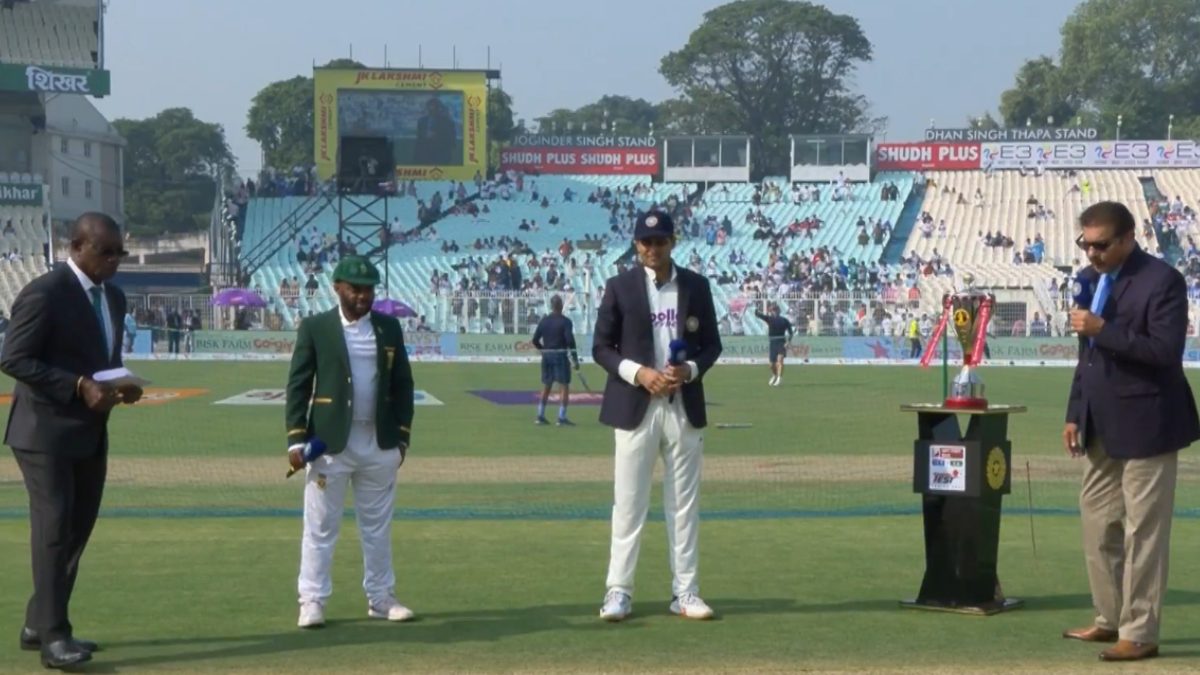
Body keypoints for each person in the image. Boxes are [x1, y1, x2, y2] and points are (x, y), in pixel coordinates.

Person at [2, 212, 142, 669]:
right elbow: (14, 358)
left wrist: (121, 384)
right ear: (77, 247)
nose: (115, 261)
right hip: (43, 432)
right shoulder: (45, 293)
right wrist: (78, 385)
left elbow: (104, 358)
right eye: (106, 252)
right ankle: (55, 639)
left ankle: (36, 622)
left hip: (89, 431)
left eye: (119, 252)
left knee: (76, 530)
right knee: (55, 530)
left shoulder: (114, 298)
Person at [1062, 201, 1200, 662]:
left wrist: (1104, 328)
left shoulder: (1163, 281)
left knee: (1144, 533)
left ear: (1127, 238)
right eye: (1086, 243)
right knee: (1098, 524)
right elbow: (1088, 359)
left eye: (1101, 244)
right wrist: (1074, 413)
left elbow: (1164, 351)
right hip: (1100, 425)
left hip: (1149, 423)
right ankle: (1110, 619)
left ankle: (1139, 632)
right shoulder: (1090, 280)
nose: (1092, 253)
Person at [592, 211, 722, 622]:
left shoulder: (696, 286)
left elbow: (712, 346)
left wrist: (691, 371)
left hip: (682, 407)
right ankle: (619, 591)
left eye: (660, 241)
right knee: (629, 504)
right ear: (635, 245)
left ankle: (685, 592)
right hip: (636, 405)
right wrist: (640, 373)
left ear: (673, 243)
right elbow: (601, 347)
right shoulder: (619, 287)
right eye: (646, 242)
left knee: (684, 505)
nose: (653, 249)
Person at [285, 256, 417, 629]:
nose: (363, 296)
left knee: (377, 528)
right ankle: (311, 600)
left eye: (369, 289)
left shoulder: (389, 328)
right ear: (337, 287)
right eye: (356, 289)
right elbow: (298, 385)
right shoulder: (316, 327)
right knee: (321, 527)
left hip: (379, 442)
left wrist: (402, 439)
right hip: (328, 443)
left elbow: (403, 384)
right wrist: (296, 440)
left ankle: (380, 598)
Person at [531, 294, 579, 426]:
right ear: (561, 305)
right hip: (560, 355)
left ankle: (540, 415)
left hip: (547, 356)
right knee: (563, 386)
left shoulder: (544, 321)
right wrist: (574, 358)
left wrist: (544, 350)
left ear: (552, 306)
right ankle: (561, 417)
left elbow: (535, 340)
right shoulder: (566, 322)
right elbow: (570, 340)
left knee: (547, 385)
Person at [754, 302, 793, 387]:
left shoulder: (784, 320)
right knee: (772, 364)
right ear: (771, 311)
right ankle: (775, 375)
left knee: (780, 360)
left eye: (776, 309)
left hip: (781, 342)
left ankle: (779, 378)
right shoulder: (769, 319)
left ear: (779, 311)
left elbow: (790, 332)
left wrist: (788, 341)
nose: (774, 311)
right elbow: (758, 314)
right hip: (772, 342)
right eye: (773, 310)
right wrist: (756, 307)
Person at [414, 96, 457, 166]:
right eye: (430, 107)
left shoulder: (448, 122)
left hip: (441, 156)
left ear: (439, 108)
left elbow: (452, 141)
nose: (432, 110)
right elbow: (419, 140)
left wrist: (437, 136)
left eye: (435, 107)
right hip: (424, 156)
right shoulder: (422, 121)